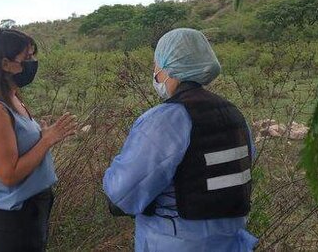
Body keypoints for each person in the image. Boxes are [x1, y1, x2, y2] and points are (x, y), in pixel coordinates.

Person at [103, 28, 258, 251]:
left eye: (157, 65)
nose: (155, 72)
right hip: (230, 242)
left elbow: (123, 193)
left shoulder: (167, 119)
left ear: (170, 66)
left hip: (178, 241)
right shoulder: (233, 113)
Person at [0, 28, 77, 252]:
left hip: (30, 211)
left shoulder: (11, 98)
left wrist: (42, 134)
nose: (32, 63)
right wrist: (47, 140)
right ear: (5, 64)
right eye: (26, 58)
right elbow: (8, 175)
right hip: (12, 220)